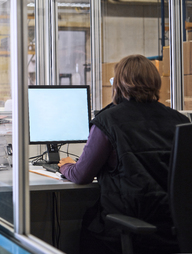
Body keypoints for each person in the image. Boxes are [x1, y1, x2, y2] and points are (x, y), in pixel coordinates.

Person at [58, 54, 190, 254]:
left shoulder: (108, 121)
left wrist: (66, 165)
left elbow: (81, 175)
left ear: (119, 84)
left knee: (87, 225)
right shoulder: (180, 120)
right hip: (175, 230)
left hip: (129, 228)